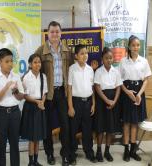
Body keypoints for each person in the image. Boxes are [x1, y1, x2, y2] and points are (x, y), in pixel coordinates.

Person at [35, 21, 74, 166]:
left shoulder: (67, 50)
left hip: (62, 93)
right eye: (52, 31)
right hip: (48, 95)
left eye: (57, 31)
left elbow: (71, 71)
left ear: (60, 33)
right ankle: (50, 153)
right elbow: (34, 70)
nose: (55, 34)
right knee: (48, 126)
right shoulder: (41, 50)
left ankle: (65, 155)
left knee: (65, 125)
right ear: (48, 33)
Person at [0, 48, 24, 166]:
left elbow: (20, 97)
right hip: (1, 114)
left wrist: (15, 91)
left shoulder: (16, 76)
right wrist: (6, 87)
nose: (10, 64)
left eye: (11, 61)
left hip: (14, 113)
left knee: (14, 144)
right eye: (6, 61)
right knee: (1, 144)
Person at [119, 35, 152, 162]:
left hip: (138, 94)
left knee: (135, 123)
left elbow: (146, 80)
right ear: (129, 46)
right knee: (126, 122)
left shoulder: (143, 61)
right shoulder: (123, 61)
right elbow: (119, 81)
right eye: (133, 45)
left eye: (138, 45)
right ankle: (126, 150)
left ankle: (133, 150)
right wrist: (127, 92)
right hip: (127, 94)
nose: (136, 47)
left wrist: (139, 94)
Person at [67, 44, 95, 164]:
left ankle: (89, 152)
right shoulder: (72, 69)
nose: (85, 56)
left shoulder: (90, 69)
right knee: (73, 129)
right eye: (82, 53)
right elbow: (69, 88)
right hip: (76, 103)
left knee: (87, 129)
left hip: (88, 102)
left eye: (86, 53)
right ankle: (71, 153)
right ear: (76, 56)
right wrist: (70, 106)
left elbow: (92, 88)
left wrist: (93, 103)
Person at [93, 47, 122, 162]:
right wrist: (107, 100)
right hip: (102, 101)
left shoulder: (116, 71)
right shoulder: (98, 71)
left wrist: (114, 101)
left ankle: (107, 151)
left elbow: (118, 87)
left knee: (110, 128)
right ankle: (99, 151)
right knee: (100, 128)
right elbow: (97, 87)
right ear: (102, 59)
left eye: (111, 58)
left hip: (113, 101)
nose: (109, 60)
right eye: (106, 58)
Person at [20, 54, 48, 166]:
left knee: (38, 137)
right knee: (32, 137)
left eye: (39, 62)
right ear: (30, 64)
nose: (38, 64)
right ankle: (31, 162)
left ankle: (36, 161)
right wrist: (37, 102)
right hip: (30, 107)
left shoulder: (43, 76)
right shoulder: (26, 77)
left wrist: (42, 102)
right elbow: (25, 96)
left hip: (40, 106)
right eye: (35, 62)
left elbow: (45, 92)